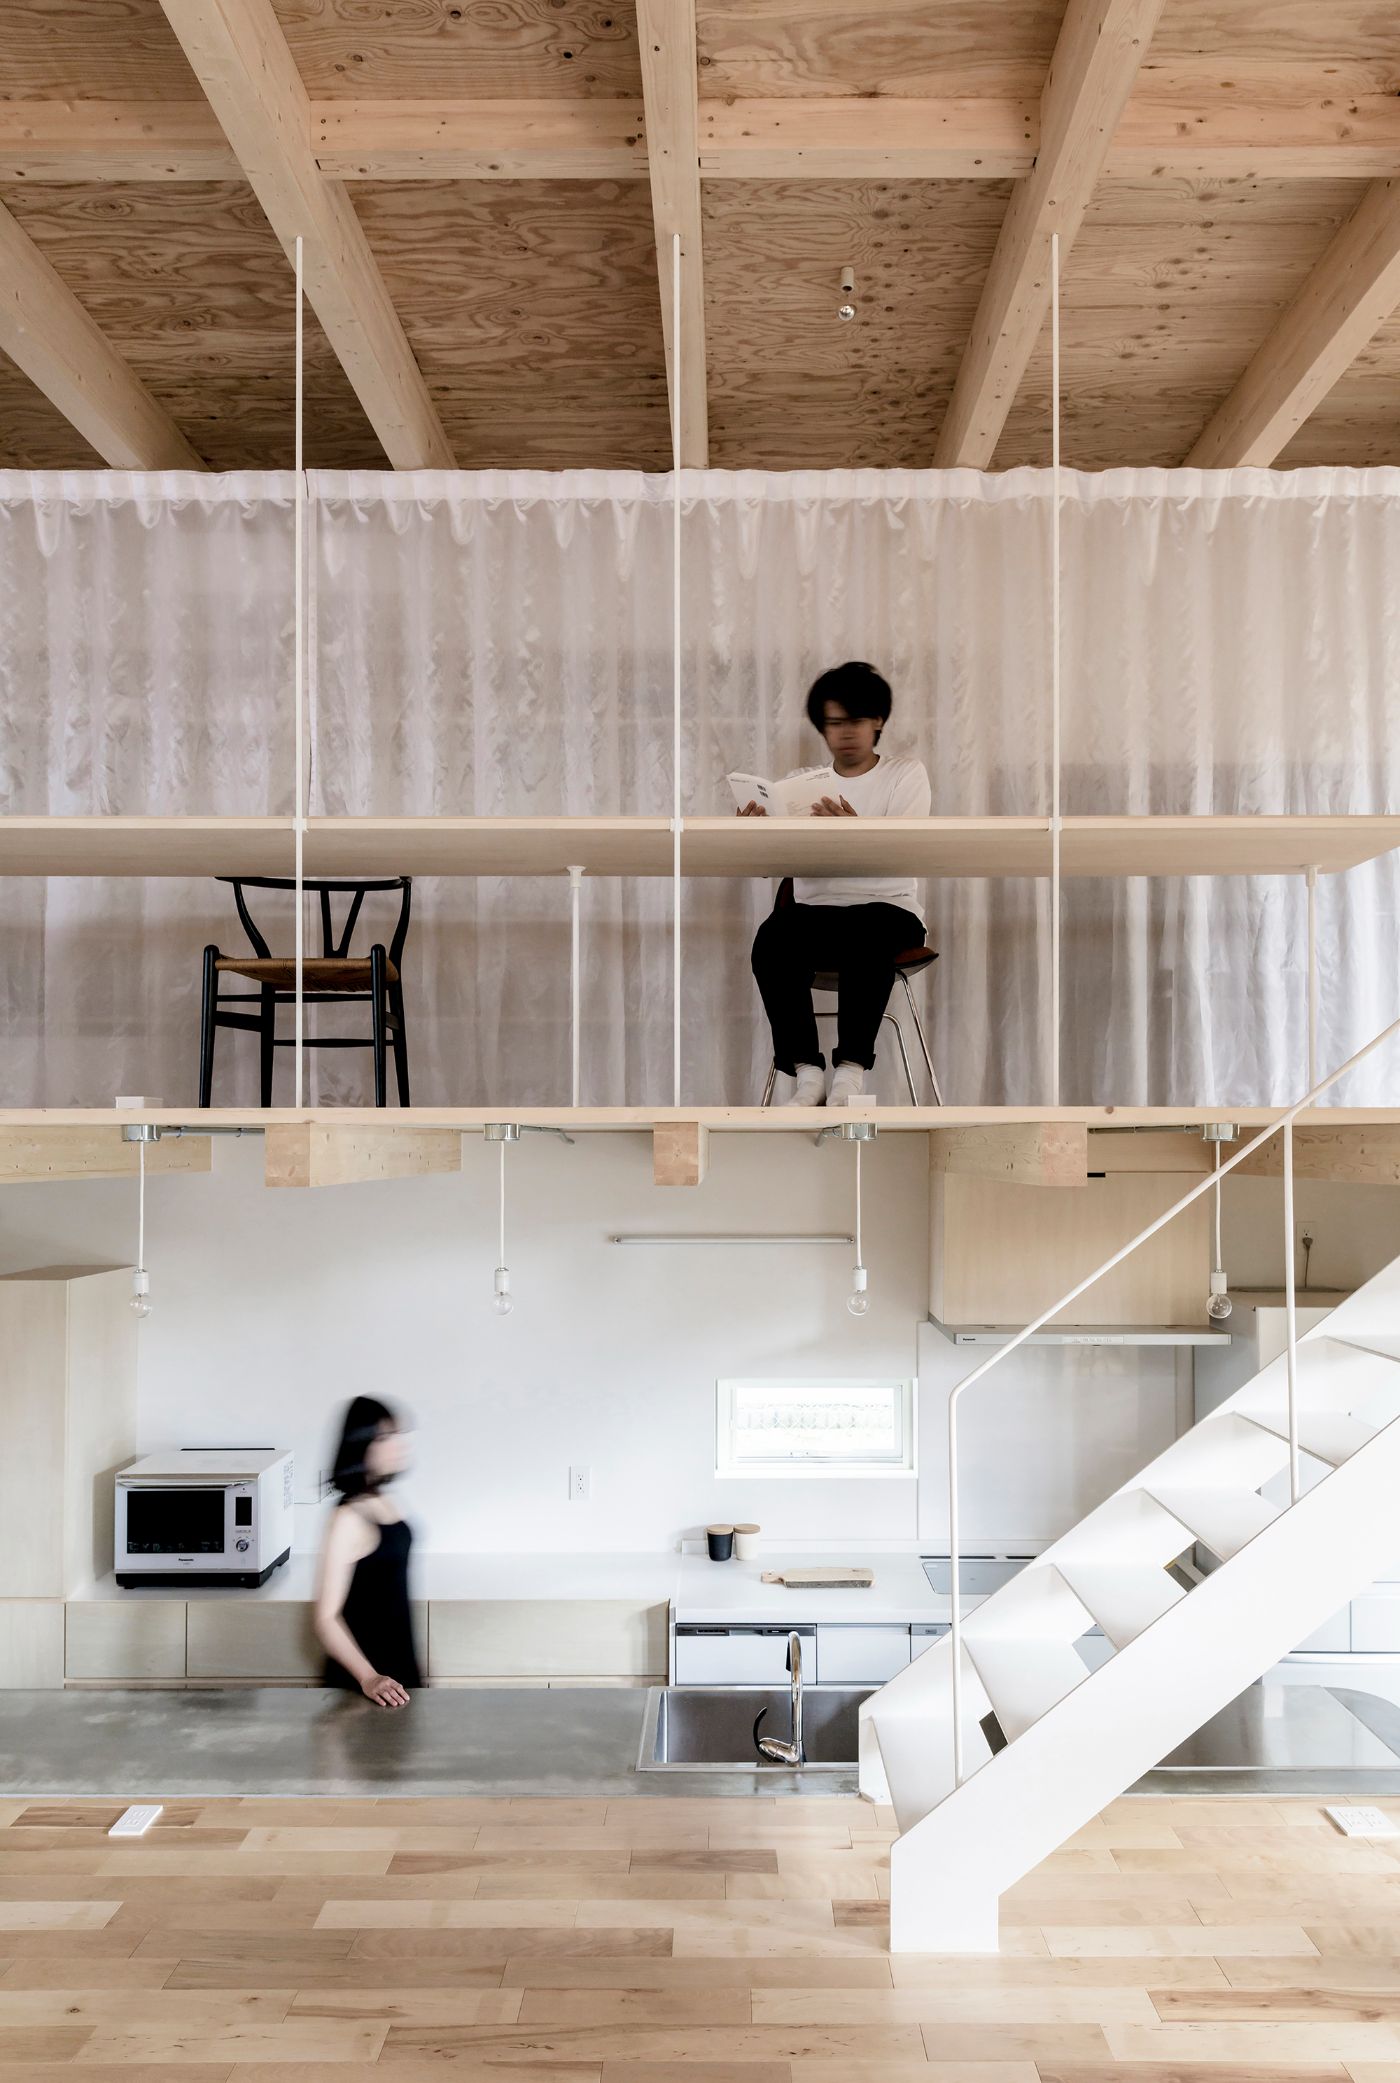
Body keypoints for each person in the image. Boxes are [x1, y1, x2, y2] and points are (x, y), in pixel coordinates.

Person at [740, 661, 930, 1106]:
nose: (846, 733)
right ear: (822, 728)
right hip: (814, 914)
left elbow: (908, 851)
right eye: (835, 723)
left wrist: (855, 830)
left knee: (867, 934)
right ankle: (808, 1074)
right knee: (772, 939)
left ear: (878, 721)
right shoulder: (800, 785)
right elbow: (770, 865)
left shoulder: (905, 774)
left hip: (889, 911)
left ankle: (850, 1073)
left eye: (856, 721)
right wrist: (755, 834)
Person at [315, 1395, 423, 1707]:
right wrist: (369, 1677)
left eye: (398, 1434)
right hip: (366, 1684)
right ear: (361, 1444)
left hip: (398, 1673)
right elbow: (325, 1618)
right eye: (385, 1437)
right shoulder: (348, 1517)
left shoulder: (382, 1499)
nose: (399, 1444)